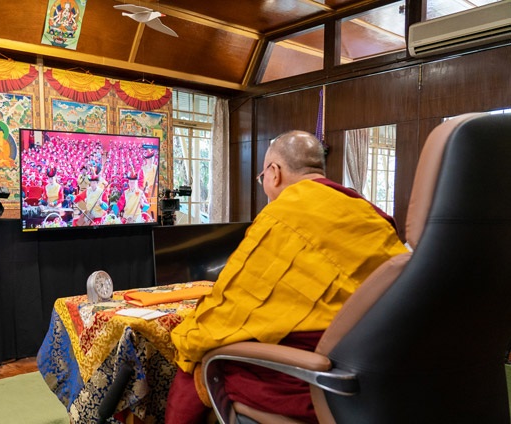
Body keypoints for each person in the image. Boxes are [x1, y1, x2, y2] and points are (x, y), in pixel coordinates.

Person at [165, 130, 408, 424]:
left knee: (193, 359)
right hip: (379, 373)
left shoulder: (282, 215)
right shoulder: (369, 215)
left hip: (310, 381)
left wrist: (190, 335)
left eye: (262, 179)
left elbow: (229, 311)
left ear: (274, 172)